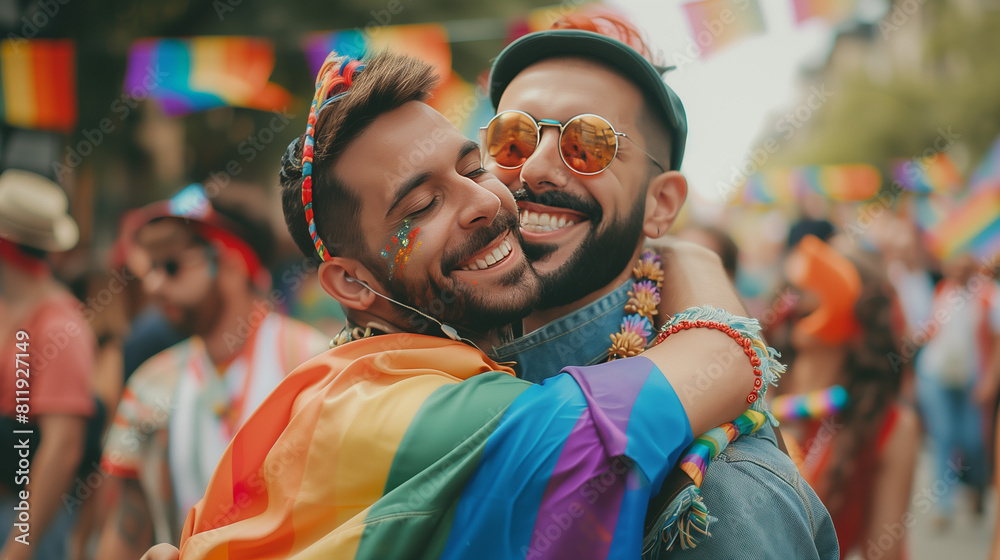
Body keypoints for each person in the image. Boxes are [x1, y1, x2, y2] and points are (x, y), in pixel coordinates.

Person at [160, 49, 775, 559]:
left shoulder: (342, 384)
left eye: (473, 168)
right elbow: (726, 357)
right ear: (350, 284)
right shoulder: (426, 415)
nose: (490, 197)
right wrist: (692, 259)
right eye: (421, 207)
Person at [483, 16, 838, 558]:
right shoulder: (415, 366)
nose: (534, 167)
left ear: (661, 204)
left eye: (589, 142)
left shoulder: (709, 490)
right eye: (512, 138)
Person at [96, 184, 330, 559]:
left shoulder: (312, 365)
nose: (154, 285)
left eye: (171, 266)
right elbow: (125, 527)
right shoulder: (150, 384)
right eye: (152, 268)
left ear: (233, 263)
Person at [776, 235, 919, 560]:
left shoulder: (892, 426)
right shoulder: (755, 386)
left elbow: (881, 552)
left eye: (818, 285)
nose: (799, 297)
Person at [0, 170, 100, 560]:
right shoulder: (13, 310)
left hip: (23, 520)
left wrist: (18, 546)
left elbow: (63, 447)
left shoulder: (61, 327)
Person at [914, 252, 999, 529]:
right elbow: (931, 330)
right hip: (936, 375)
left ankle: (977, 488)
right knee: (944, 436)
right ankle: (943, 506)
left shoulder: (989, 296)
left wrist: (989, 381)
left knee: (974, 440)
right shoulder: (942, 291)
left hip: (972, 378)